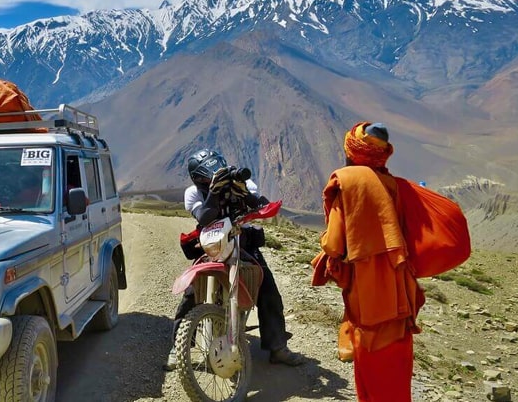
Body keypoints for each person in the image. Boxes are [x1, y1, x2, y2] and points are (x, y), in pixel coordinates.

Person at [310, 122, 425, 402]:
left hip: (368, 294)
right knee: (397, 365)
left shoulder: (347, 183)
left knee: (371, 363)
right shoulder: (395, 186)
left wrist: (325, 244)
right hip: (400, 287)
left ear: (352, 151)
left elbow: (334, 245)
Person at [165, 148, 304, 371]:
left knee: (268, 291)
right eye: (209, 173)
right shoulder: (193, 193)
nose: (216, 174)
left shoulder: (244, 184)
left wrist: (243, 193)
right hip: (213, 244)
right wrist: (214, 192)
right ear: (199, 178)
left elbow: (262, 206)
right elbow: (204, 217)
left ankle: (278, 347)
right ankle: (178, 348)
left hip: (243, 242)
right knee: (192, 292)